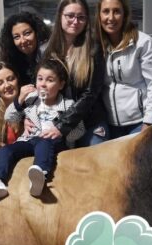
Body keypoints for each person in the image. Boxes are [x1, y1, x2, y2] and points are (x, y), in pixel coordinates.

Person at [0, 58, 84, 198]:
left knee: (43, 143)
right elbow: (9, 118)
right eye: (40, 79)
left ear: (61, 84)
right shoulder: (31, 99)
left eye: (50, 80)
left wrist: (61, 131)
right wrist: (19, 100)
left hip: (52, 143)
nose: (44, 84)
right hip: (29, 141)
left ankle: (40, 174)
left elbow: (80, 130)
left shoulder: (68, 105)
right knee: (6, 150)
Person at [43, 0, 108, 146]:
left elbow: (91, 93)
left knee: (94, 165)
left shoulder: (93, 49)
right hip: (59, 121)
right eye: (70, 16)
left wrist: (63, 126)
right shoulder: (49, 51)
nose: (75, 21)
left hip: (90, 122)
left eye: (81, 17)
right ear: (60, 16)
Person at [96, 0, 152, 138]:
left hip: (138, 123)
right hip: (107, 122)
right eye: (106, 11)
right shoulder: (96, 44)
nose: (111, 17)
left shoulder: (144, 43)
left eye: (117, 11)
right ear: (99, 15)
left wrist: (149, 122)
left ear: (125, 15)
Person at [0, 12, 50, 124]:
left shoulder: (49, 57)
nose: (22, 40)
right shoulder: (11, 62)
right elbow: (0, 90)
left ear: (37, 33)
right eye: (16, 37)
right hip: (21, 117)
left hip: (47, 117)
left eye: (27, 33)